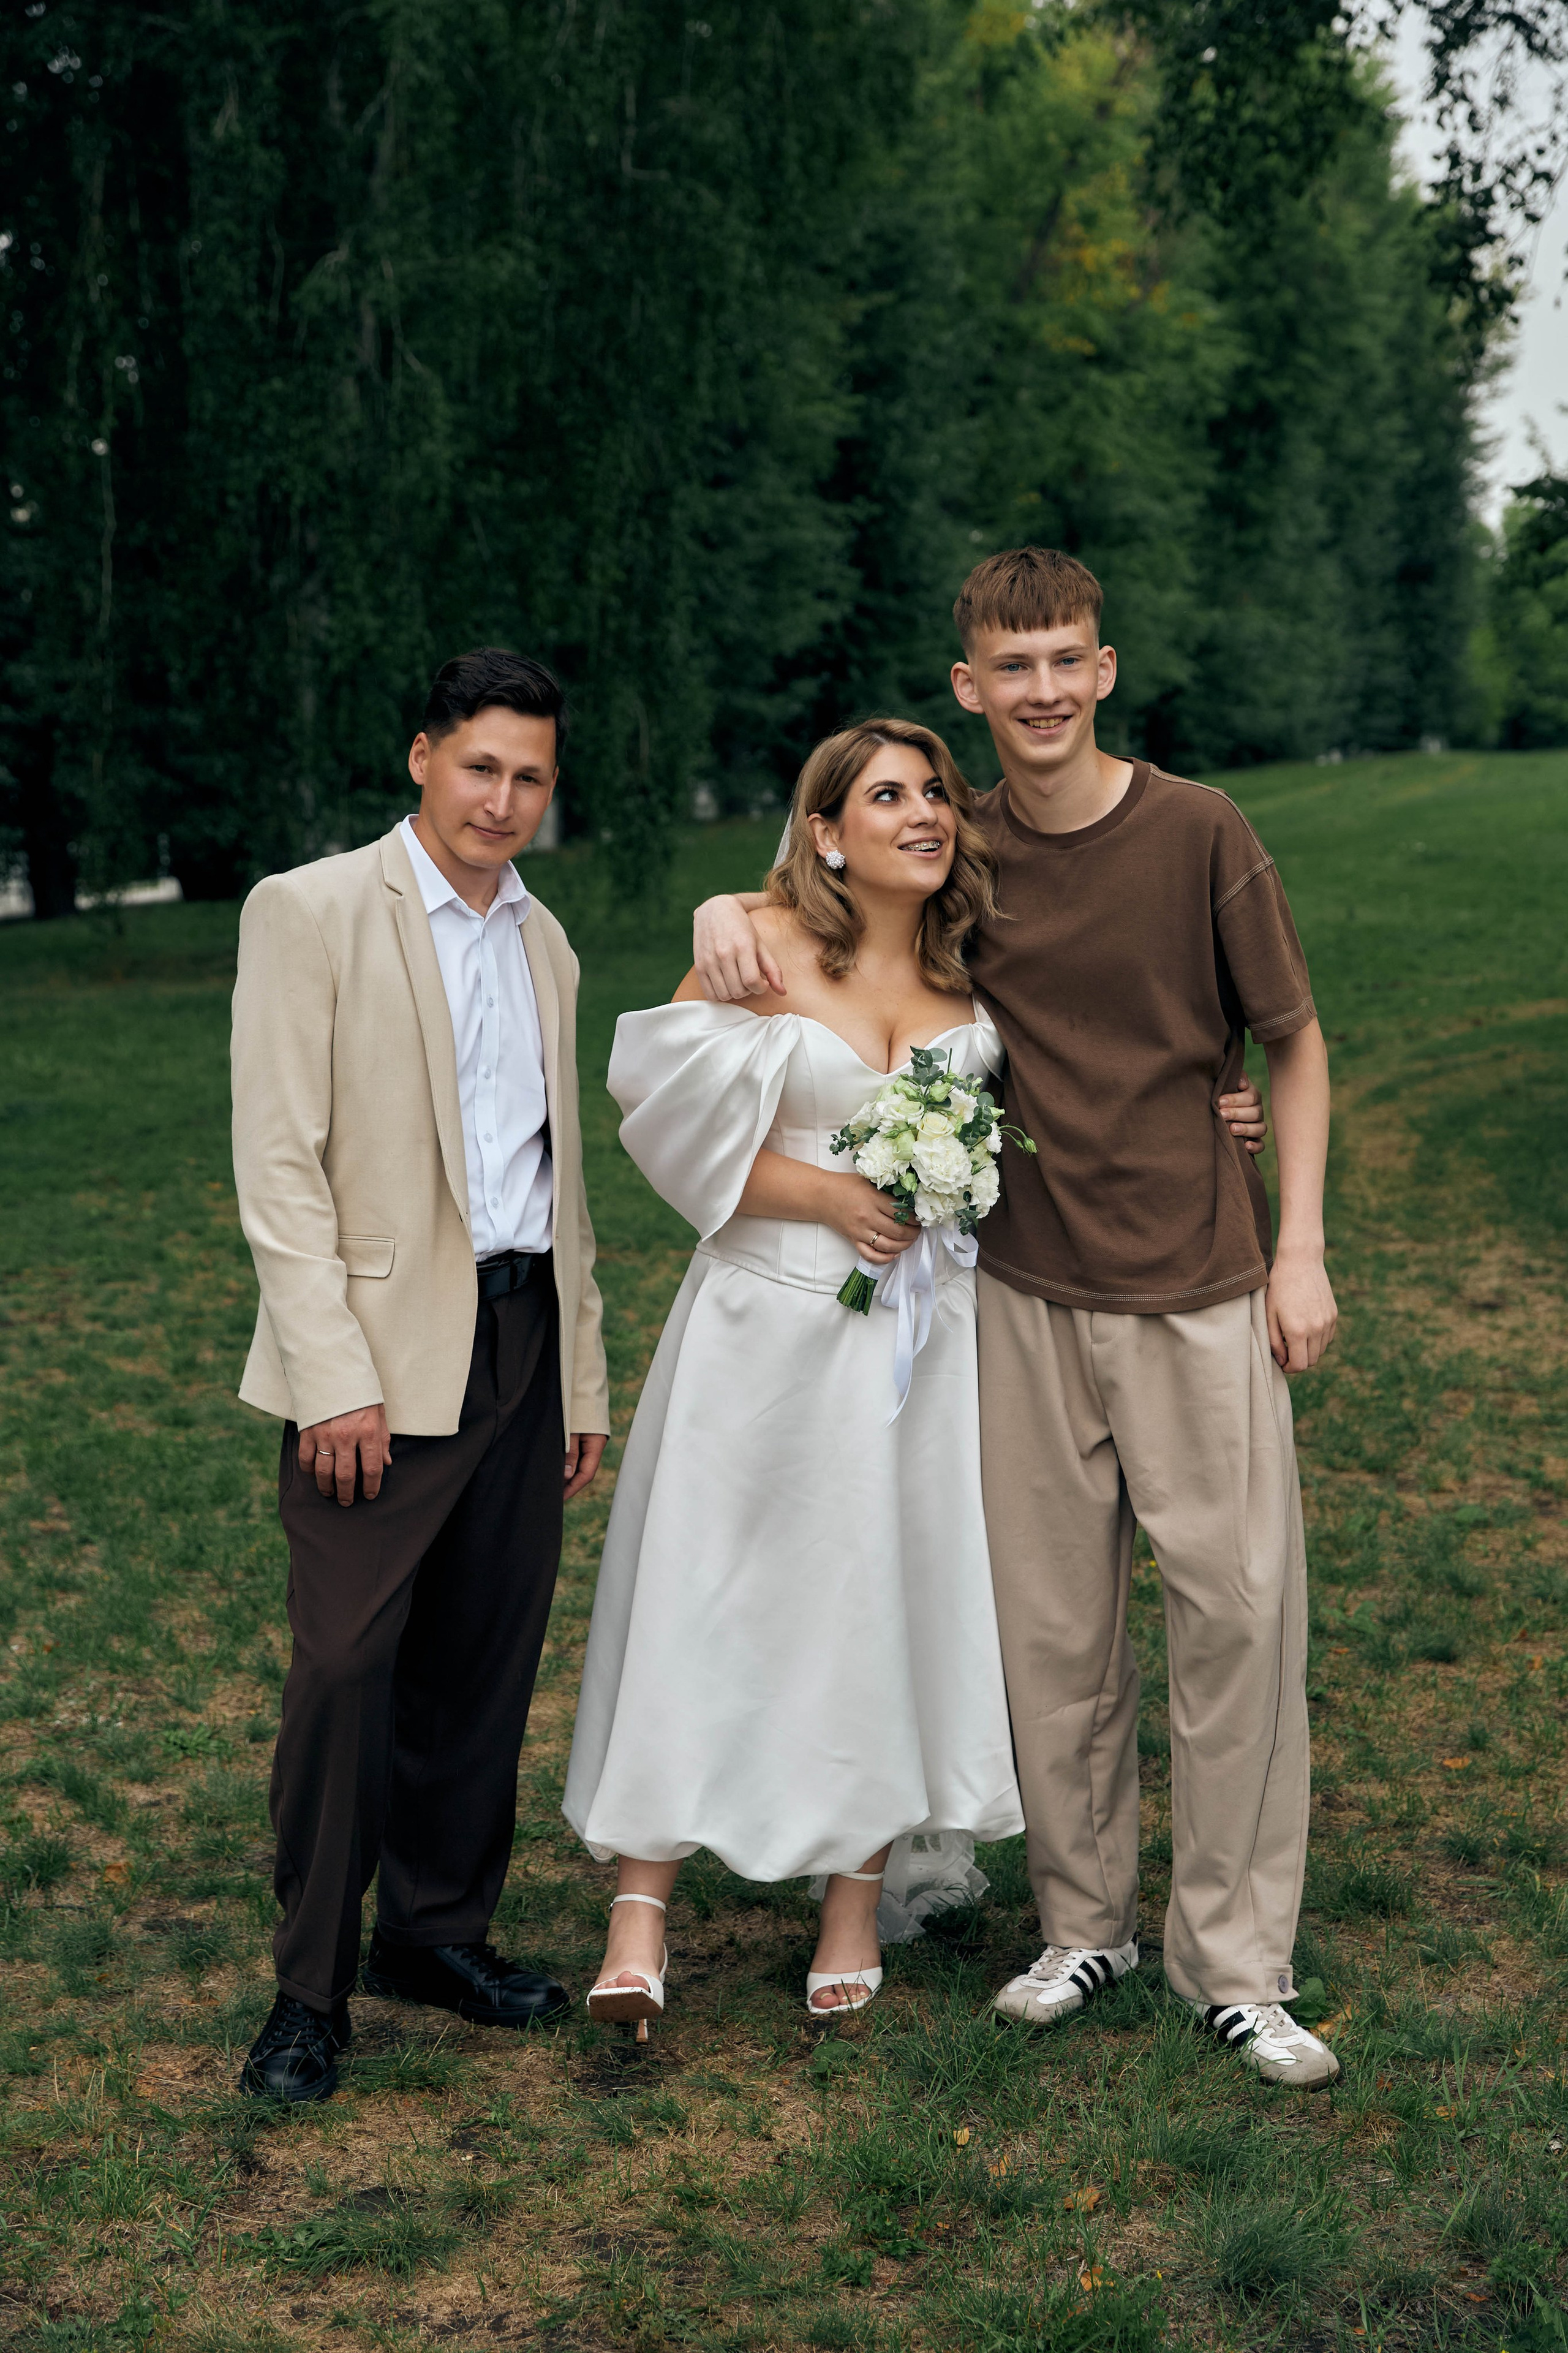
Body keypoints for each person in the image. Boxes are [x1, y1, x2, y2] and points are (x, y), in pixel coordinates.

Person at [692, 547, 1342, 2088]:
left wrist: (1296, 1243)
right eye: (1012, 667)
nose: (1042, 691)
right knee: (1050, 1638)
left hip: (1196, 1281)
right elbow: (819, 906)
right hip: (1017, 1289)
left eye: (1068, 661)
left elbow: (1293, 1038)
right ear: (968, 688)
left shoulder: (1198, 831)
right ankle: (1082, 1922)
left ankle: (1235, 1963)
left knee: (1236, 1622)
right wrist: (729, 900)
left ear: (1102, 671)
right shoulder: (947, 844)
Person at [562, 719, 1029, 2024]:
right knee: (701, 1595)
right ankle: (638, 1918)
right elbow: (659, 1121)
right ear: (826, 831)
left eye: (934, 789)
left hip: (917, 1352)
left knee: (883, 1600)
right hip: (759, 1332)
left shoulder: (969, 982)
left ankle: (850, 1899)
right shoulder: (757, 948)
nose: (922, 811)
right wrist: (826, 1195)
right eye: (886, 795)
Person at [230, 647, 609, 2102]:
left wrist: (578, 1376)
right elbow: (278, 1160)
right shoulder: (313, 908)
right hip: (375, 1360)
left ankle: (434, 1933)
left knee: (481, 1660)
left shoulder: (546, 942)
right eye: (478, 767)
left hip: (520, 1342)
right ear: (421, 758)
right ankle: (307, 1991)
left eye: (528, 777)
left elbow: (553, 1182)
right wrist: (331, 1374)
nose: (501, 800)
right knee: (344, 1665)